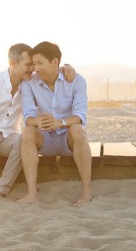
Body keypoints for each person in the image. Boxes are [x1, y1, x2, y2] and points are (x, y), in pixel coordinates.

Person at [0, 44, 75, 207]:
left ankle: (0, 191)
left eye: (33, 64)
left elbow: (51, 73)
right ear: (13, 63)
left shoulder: (30, 83)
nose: (32, 69)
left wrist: (66, 67)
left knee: (23, 140)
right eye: (28, 65)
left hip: (9, 138)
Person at [15, 40, 92, 206]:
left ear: (55, 62)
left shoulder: (77, 80)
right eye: (34, 64)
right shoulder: (29, 83)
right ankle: (32, 194)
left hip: (68, 139)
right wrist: (41, 121)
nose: (36, 68)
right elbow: (28, 115)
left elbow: (80, 116)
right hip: (46, 138)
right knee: (28, 130)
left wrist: (60, 123)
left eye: (40, 63)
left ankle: (86, 193)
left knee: (77, 129)